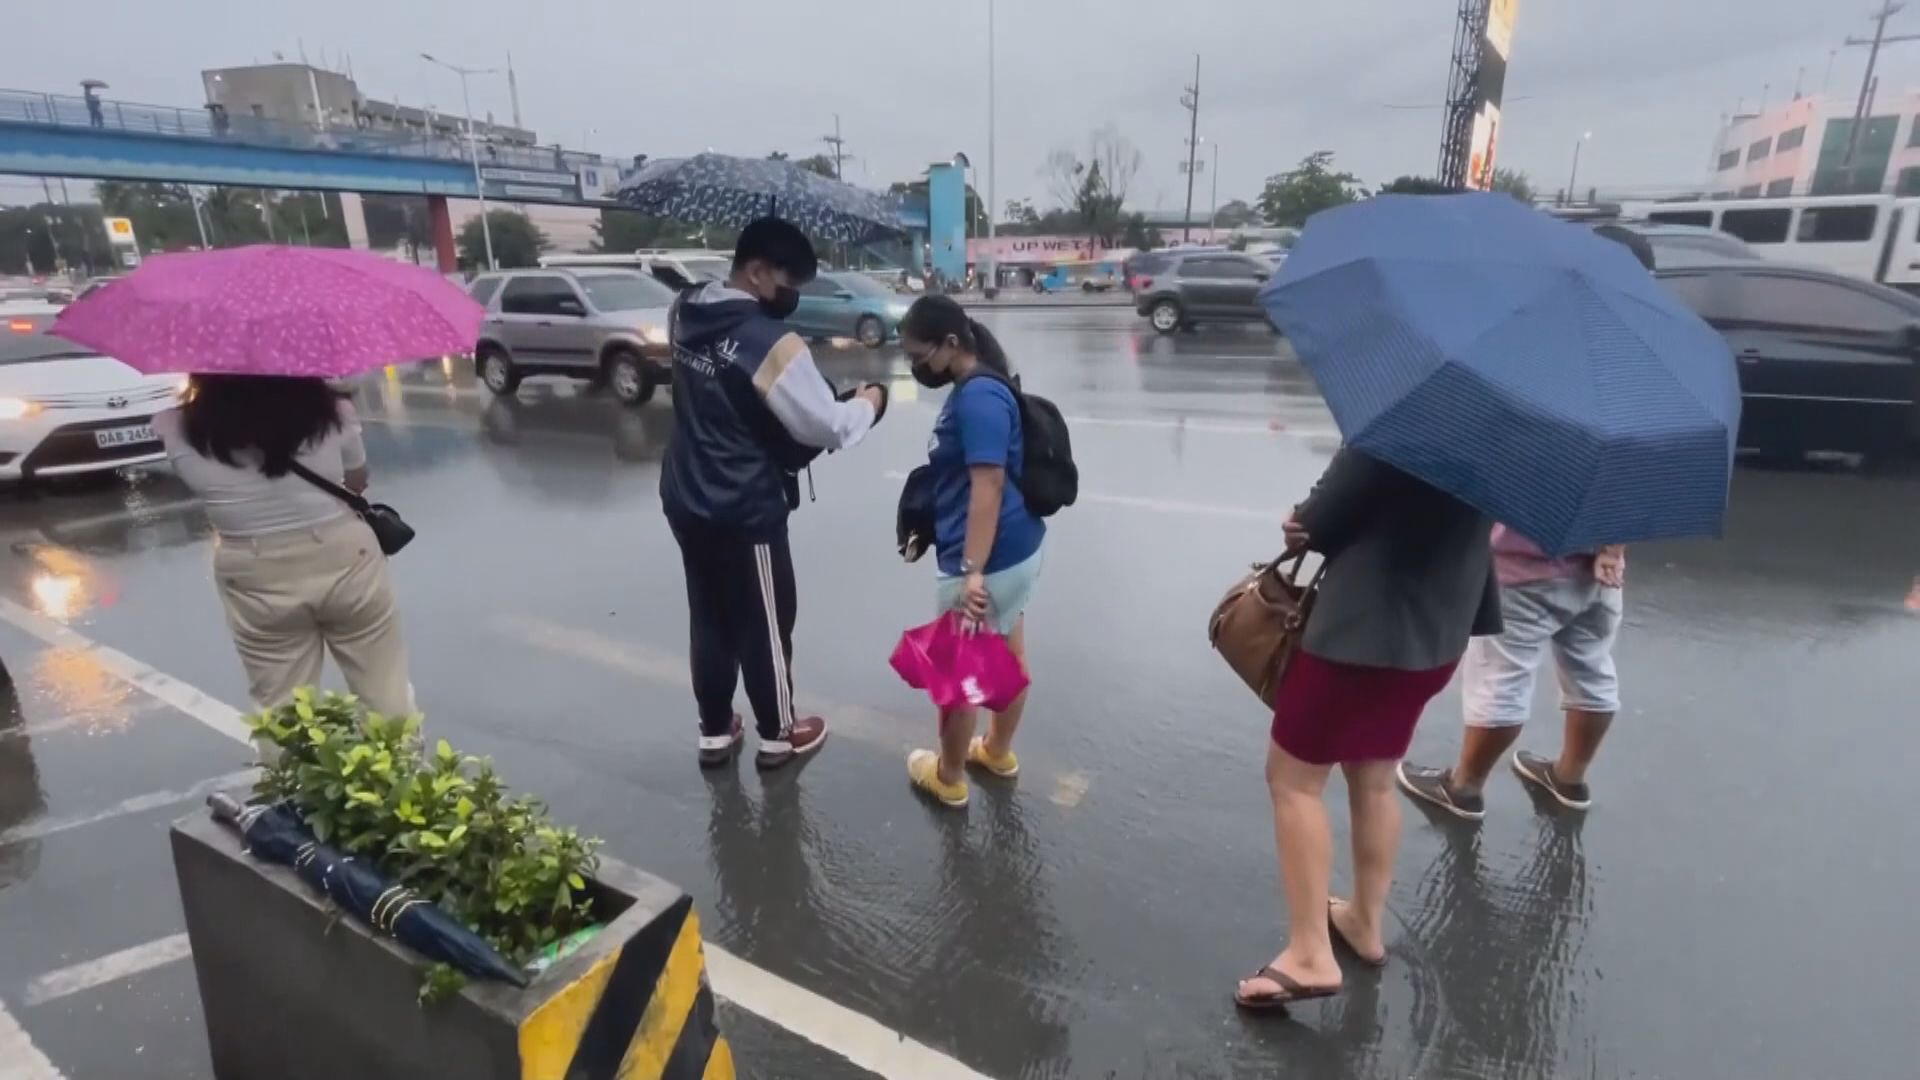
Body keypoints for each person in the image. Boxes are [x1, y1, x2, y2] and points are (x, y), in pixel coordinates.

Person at [1234, 448, 1500, 1011]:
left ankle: (1310, 954)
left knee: (1293, 780)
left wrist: (1301, 519)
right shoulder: (1505, 433)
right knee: (1375, 778)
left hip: (1361, 632)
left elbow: (1317, 519)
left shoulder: (1408, 421)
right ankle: (1363, 923)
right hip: (1438, 632)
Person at [663, 216, 888, 771]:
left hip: (686, 494)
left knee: (709, 616)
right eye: (789, 282)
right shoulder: (771, 343)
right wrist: (871, 402)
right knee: (764, 623)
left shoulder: (685, 309)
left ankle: (715, 730)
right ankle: (779, 734)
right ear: (758, 271)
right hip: (743, 507)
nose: (793, 295)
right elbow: (827, 426)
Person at [154, 376, 414, 719]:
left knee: (282, 707)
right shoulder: (333, 412)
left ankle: (292, 755)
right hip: (345, 557)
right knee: (384, 690)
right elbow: (356, 480)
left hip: (253, 568)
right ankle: (396, 752)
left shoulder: (175, 426)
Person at [897, 295, 1045, 808]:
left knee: (959, 677)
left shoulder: (979, 397)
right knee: (1009, 654)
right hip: (1014, 551)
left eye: (920, 355)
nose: (916, 366)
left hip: (986, 559)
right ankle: (997, 753)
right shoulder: (981, 386)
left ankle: (949, 777)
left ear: (951, 343)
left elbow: (989, 485)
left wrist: (971, 572)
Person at [1397, 529, 1626, 817]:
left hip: (1522, 574)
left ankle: (1463, 788)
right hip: (1602, 574)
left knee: (1501, 683)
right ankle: (1569, 778)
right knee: (1592, 675)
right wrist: (1613, 550)